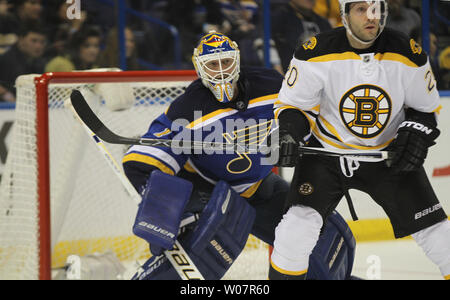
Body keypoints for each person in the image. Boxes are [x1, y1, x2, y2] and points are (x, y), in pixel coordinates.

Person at [122, 31, 356, 280]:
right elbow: (144, 162)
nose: (221, 71)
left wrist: (298, 135)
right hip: (207, 193)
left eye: (226, 62)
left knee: (316, 241)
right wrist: (165, 210)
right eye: (213, 64)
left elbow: (308, 115)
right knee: (187, 261)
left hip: (258, 187)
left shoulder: (270, 84)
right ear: (199, 68)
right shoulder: (187, 107)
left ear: (237, 60)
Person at [269, 0, 450, 280]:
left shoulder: (407, 53)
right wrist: (289, 132)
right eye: (361, 9)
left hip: (388, 156)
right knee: (294, 231)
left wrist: (415, 133)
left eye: (376, 9)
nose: (371, 16)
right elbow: (294, 106)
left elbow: (425, 109)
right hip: (327, 153)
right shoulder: (315, 51)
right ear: (344, 15)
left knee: (440, 238)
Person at [271, 0, 332, 73]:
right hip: (290, 78)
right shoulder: (277, 18)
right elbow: (264, 44)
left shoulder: (324, 23)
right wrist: (276, 67)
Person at [0, 21, 46, 102]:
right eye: (34, 41)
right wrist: (6, 95)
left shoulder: (39, 62)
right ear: (21, 40)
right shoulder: (5, 60)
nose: (38, 46)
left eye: (42, 42)